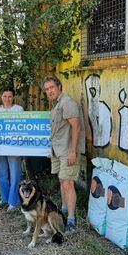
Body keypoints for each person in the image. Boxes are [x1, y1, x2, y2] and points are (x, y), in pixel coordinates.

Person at [43, 76, 85, 232]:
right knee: (62, 181)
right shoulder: (56, 105)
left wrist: (73, 151)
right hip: (58, 150)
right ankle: (64, 209)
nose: (49, 91)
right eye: (47, 89)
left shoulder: (67, 103)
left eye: (52, 87)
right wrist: (51, 150)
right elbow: (56, 131)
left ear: (59, 87)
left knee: (68, 183)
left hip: (68, 151)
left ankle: (72, 219)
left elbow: (76, 128)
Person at [0, 87, 24, 211]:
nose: (7, 99)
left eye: (10, 96)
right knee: (1, 174)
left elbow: (23, 126)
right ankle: (5, 198)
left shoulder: (19, 109)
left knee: (15, 173)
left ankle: (14, 201)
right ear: (1, 97)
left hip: (14, 146)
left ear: (13, 97)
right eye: (5, 96)